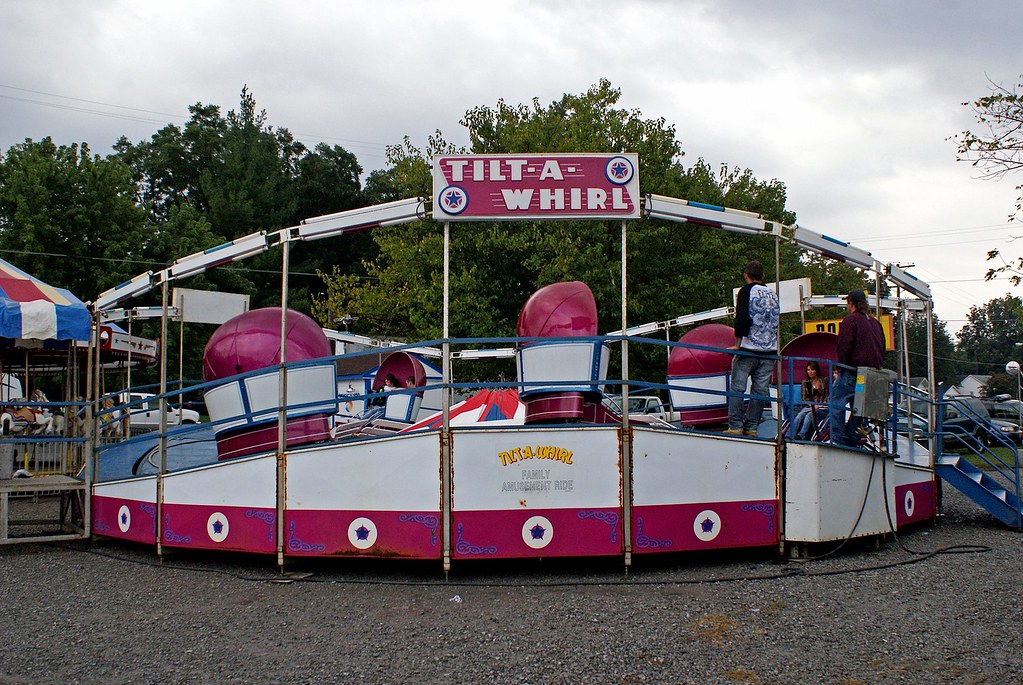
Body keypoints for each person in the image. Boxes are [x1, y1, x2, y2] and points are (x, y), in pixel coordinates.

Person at [725, 261, 780, 436]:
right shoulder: (772, 293)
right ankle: (752, 427)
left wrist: (737, 343)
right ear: (763, 276)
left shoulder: (746, 291)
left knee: (738, 388)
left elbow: (741, 318)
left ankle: (735, 425)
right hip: (769, 350)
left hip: (749, 348)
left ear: (746, 275)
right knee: (759, 391)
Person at [829, 289, 885, 446]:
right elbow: (882, 347)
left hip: (853, 371)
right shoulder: (876, 323)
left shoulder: (850, 321)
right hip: (872, 374)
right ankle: (853, 434)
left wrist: (842, 366)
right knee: (860, 408)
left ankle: (838, 437)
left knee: (835, 401)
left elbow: (844, 346)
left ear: (850, 304)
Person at [786, 360, 829, 440]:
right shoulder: (806, 382)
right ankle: (789, 435)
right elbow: (805, 398)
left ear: (816, 371)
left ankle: (801, 435)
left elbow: (827, 395)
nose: (810, 372)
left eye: (812, 370)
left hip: (822, 406)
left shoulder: (823, 381)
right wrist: (812, 405)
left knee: (809, 415)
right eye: (808, 370)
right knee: (800, 415)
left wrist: (819, 405)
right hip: (810, 405)